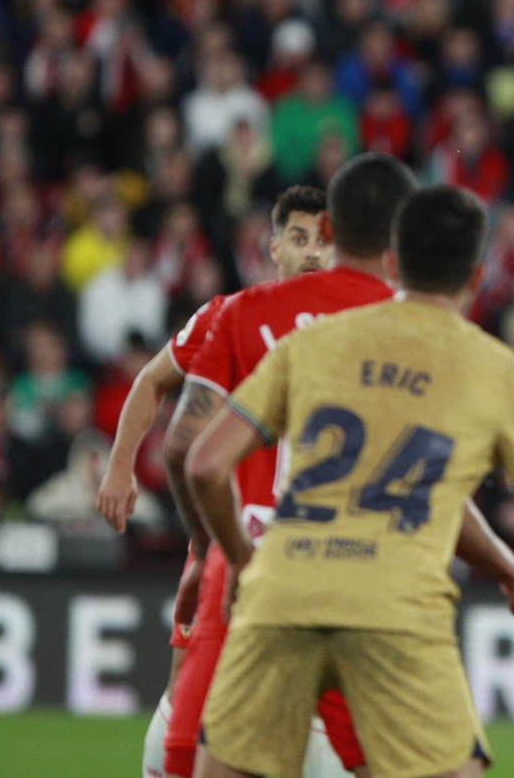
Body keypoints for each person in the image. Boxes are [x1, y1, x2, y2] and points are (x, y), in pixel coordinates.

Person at [186, 185, 514, 778]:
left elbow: (203, 465)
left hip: (282, 591)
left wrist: (240, 559)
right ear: (476, 276)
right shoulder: (505, 375)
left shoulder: (311, 344)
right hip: (398, 607)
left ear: (393, 263)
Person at [159, 154, 417, 778]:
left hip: (251, 560)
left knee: (189, 755)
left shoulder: (241, 311)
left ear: (333, 234)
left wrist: (210, 550)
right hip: (359, 573)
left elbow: (185, 452)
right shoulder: (416, 330)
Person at [94, 185, 327, 778]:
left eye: (324, 241)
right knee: (184, 697)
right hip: (232, 543)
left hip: (314, 554)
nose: (310, 252)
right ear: (272, 245)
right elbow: (150, 382)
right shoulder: (232, 313)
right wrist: (120, 466)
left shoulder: (353, 328)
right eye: (298, 238)